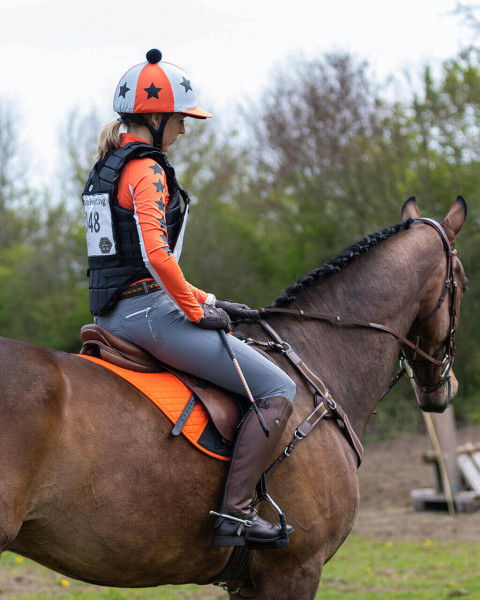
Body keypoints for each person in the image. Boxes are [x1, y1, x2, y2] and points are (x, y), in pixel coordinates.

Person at [82, 49, 296, 548]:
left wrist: (211, 296)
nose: (183, 130)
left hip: (109, 313)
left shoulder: (106, 168)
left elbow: (134, 262)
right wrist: (197, 309)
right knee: (276, 389)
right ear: (155, 118)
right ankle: (237, 513)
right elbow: (157, 259)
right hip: (148, 317)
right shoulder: (147, 171)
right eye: (179, 120)